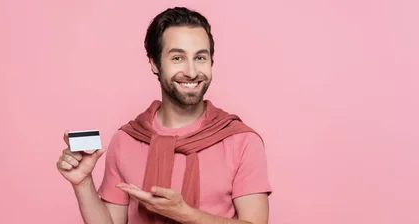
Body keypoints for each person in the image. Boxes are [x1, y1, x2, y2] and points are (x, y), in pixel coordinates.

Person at [56, 6, 272, 224]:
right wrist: (83, 183)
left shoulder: (242, 140)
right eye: (177, 58)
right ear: (154, 63)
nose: (192, 71)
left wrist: (186, 214)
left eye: (200, 58)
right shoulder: (126, 140)